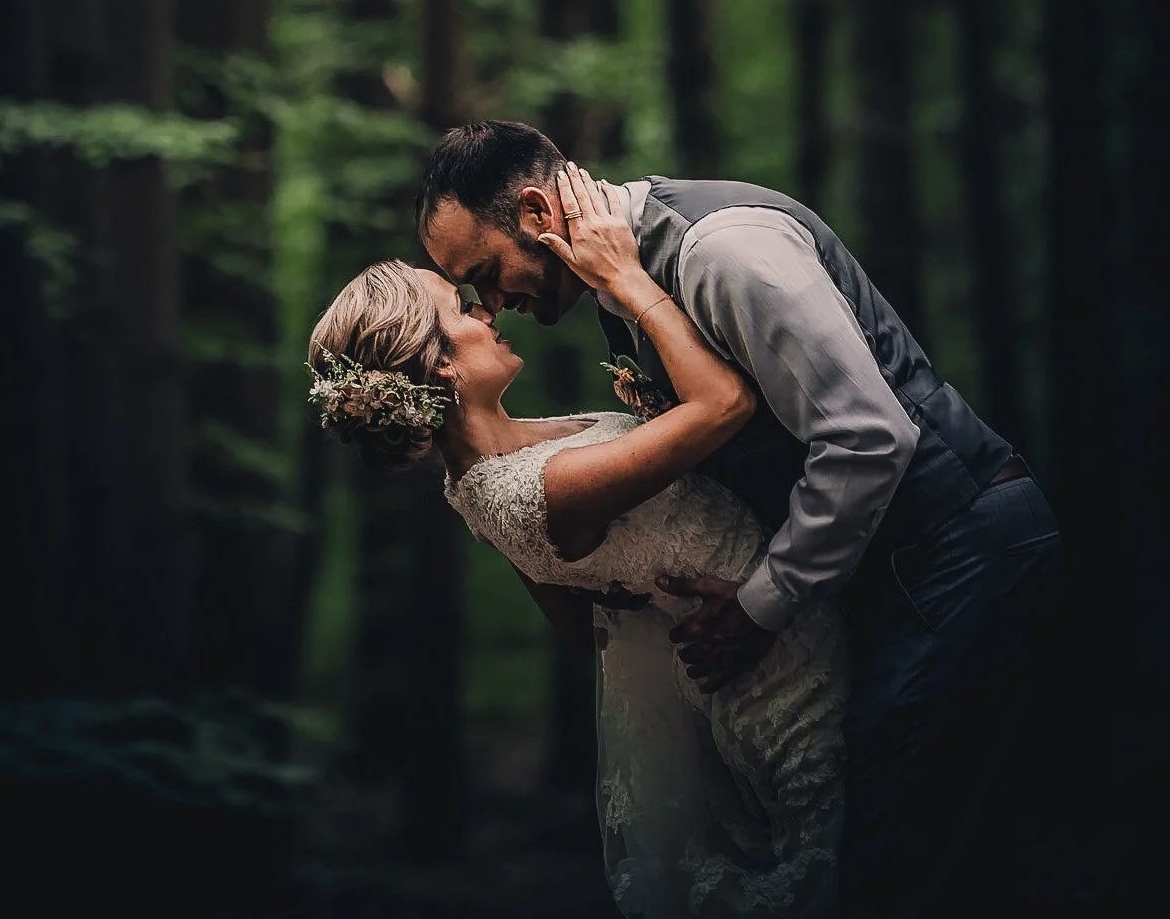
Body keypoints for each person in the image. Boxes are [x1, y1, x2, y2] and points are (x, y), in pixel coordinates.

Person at [416, 122, 1064, 919]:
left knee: (892, 861)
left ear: (535, 211)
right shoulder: (622, 285)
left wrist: (760, 606)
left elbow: (867, 437)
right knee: (942, 860)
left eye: (484, 273)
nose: (492, 305)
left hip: (957, 548)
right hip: (890, 570)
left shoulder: (725, 251)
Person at [309, 169, 849, 918]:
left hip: (765, 639)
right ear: (438, 363)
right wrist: (627, 279)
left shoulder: (485, 480)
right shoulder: (537, 489)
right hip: (782, 675)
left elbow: (579, 626)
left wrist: (650, 586)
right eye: (462, 307)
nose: (488, 311)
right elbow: (722, 404)